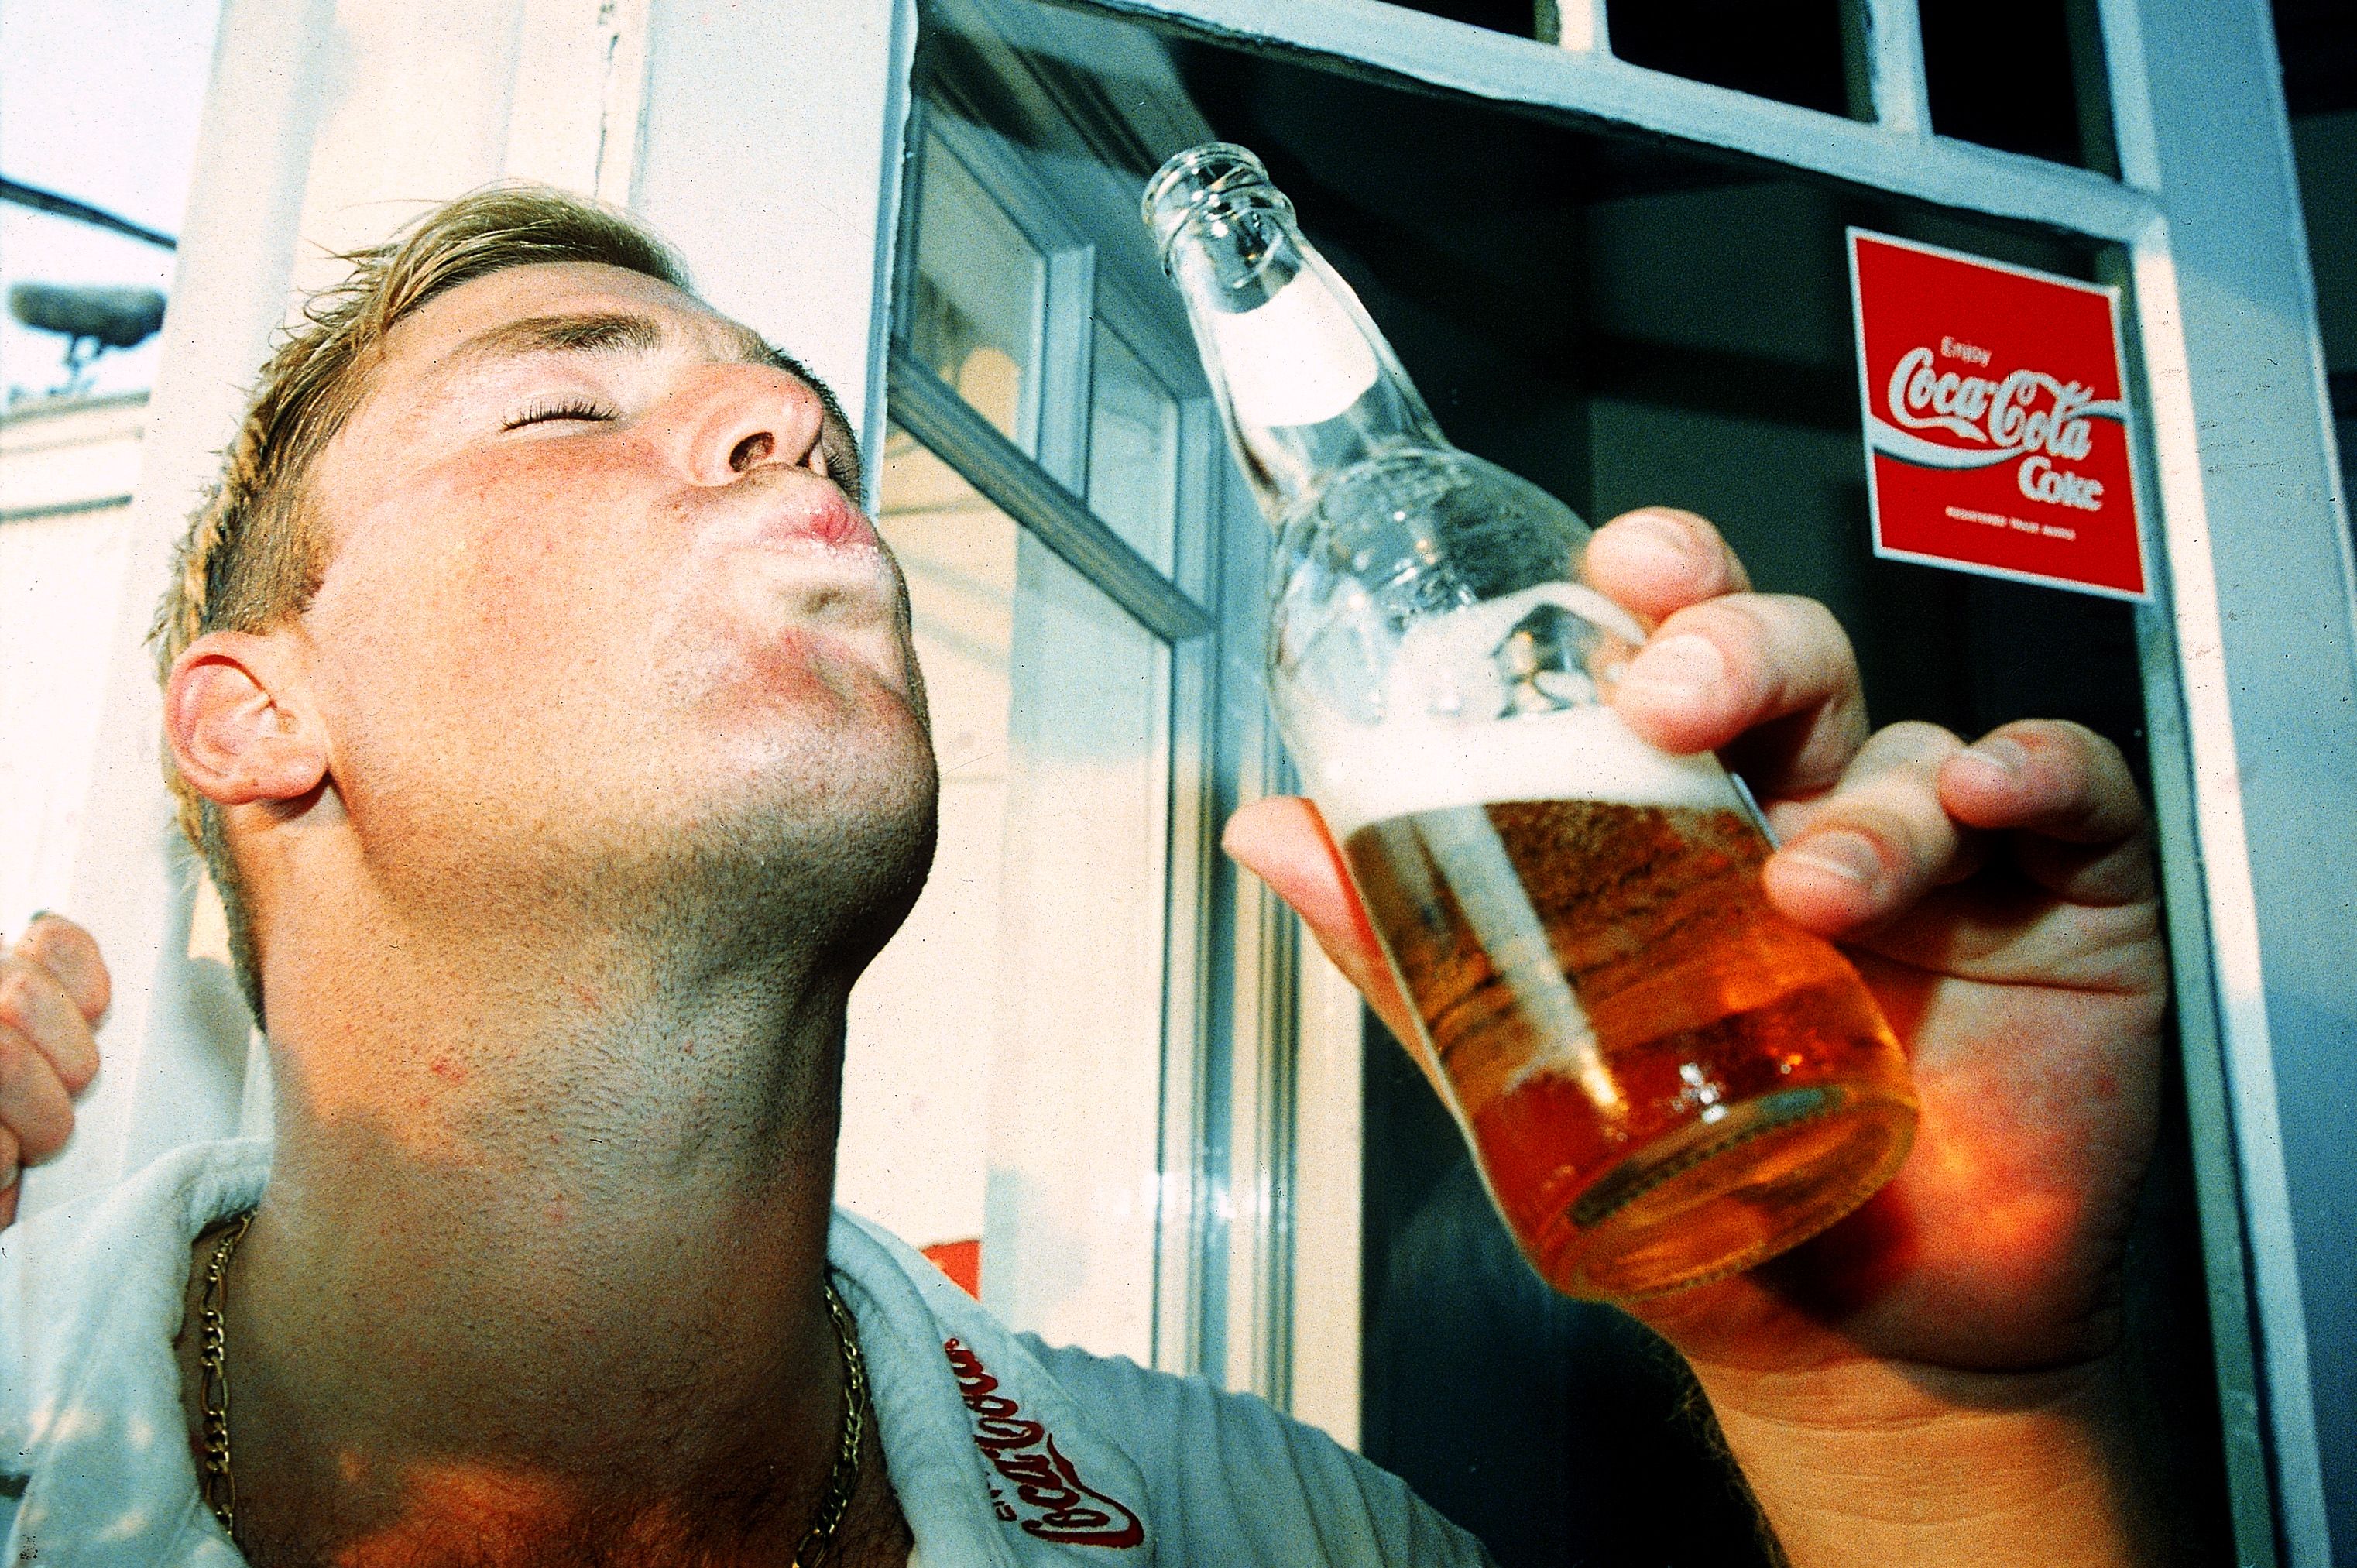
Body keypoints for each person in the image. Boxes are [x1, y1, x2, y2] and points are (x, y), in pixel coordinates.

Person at [0, 184, 2177, 1566]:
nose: (788, 427)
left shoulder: (1282, 1537)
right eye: (565, 408)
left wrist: (1913, 1432)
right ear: (251, 720)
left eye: (796, 413)